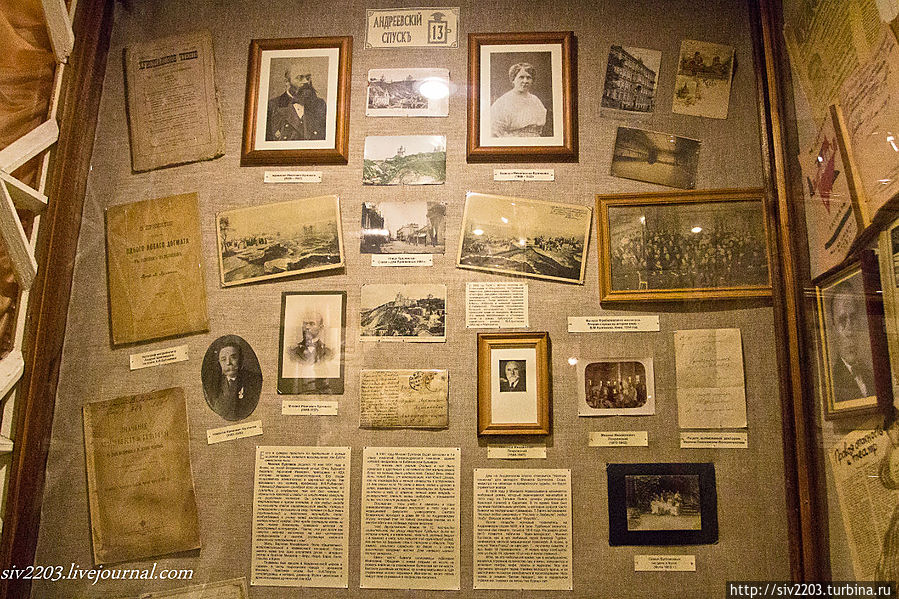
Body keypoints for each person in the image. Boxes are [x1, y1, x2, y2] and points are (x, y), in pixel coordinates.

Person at [829, 291, 876, 403]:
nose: (850, 332)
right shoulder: (832, 383)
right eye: (842, 320)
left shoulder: (871, 375)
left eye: (853, 318)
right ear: (834, 329)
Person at [266, 62, 327, 141]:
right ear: (287, 82)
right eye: (300, 78)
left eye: (308, 77)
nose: (306, 81)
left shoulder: (320, 105)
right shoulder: (273, 106)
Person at [204, 340, 262, 421]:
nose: (228, 363)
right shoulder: (213, 384)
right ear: (219, 363)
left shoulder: (254, 380)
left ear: (241, 359)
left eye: (233, 357)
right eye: (223, 359)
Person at [490, 62, 547, 138]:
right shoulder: (503, 102)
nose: (525, 81)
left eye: (529, 77)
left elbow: (539, 129)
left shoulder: (536, 101)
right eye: (521, 77)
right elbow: (495, 131)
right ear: (513, 79)